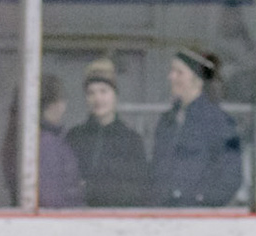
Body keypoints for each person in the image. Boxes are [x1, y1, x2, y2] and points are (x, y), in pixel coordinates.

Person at [149, 48, 243, 207]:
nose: (171, 77)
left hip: (198, 213)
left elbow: (230, 176)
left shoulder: (220, 122)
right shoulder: (167, 120)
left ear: (198, 80)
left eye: (179, 72)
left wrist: (201, 201)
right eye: (172, 71)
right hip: (164, 211)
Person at [66, 57, 152, 207]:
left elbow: (140, 190)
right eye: (91, 93)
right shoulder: (74, 137)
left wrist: (93, 189)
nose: (97, 98)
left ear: (115, 95)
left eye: (103, 91)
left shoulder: (131, 140)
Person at [2, 74, 86, 208]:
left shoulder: (29, 139)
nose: (64, 107)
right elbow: (49, 200)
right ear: (53, 105)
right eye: (62, 100)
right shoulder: (46, 144)